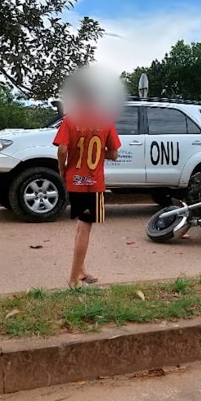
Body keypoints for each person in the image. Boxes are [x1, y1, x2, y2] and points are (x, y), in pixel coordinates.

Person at [53, 111, 122, 288]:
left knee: (80, 225)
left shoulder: (70, 120)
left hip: (74, 179)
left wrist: (62, 168)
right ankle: (73, 278)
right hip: (93, 182)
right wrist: (99, 153)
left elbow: (62, 149)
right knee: (85, 227)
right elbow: (114, 154)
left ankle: (81, 271)